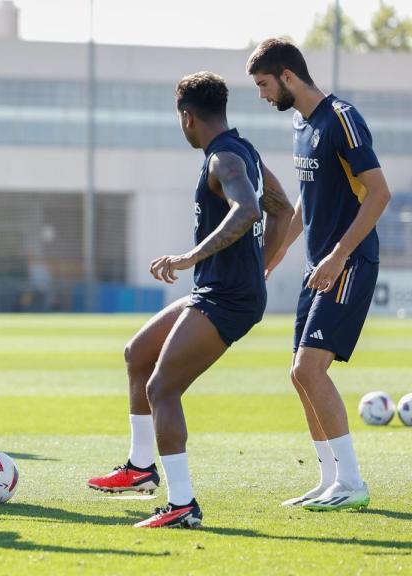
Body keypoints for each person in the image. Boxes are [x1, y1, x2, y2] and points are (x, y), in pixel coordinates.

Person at [85, 72, 294, 528]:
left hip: (226, 298)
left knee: (163, 387)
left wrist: (190, 256)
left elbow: (251, 210)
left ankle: (183, 505)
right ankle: (141, 469)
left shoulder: (224, 159)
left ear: (187, 117)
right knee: (137, 354)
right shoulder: (246, 152)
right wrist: (259, 265)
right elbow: (284, 210)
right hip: (220, 289)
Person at [248, 38, 391, 511]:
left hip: (347, 264)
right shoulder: (300, 124)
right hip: (318, 267)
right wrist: (279, 251)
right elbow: (308, 199)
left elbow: (378, 194)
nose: (263, 94)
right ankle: (330, 480)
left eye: (265, 84)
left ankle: (352, 483)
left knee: (310, 368)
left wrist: (336, 257)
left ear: (288, 75)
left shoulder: (342, 119)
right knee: (298, 374)